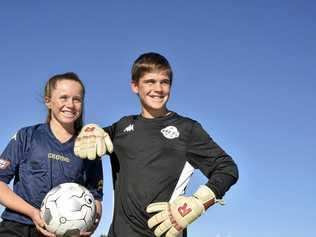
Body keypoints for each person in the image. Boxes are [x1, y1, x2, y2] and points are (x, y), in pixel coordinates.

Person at [74, 52, 239, 237]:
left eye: (164, 82)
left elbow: (227, 168)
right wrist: (89, 130)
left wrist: (199, 202)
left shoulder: (187, 129)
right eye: (150, 81)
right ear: (135, 86)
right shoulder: (122, 127)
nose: (158, 88)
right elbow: (93, 137)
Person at [0, 72, 105, 237]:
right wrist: (33, 213)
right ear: (48, 101)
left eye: (76, 99)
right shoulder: (26, 136)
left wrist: (91, 227)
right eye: (63, 97)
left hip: (63, 233)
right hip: (17, 227)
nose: (70, 104)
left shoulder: (88, 146)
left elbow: (95, 198)